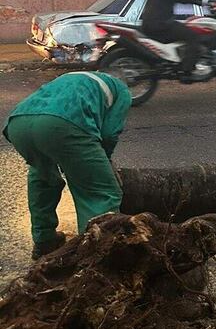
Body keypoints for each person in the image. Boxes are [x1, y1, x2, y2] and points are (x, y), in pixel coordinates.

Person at [4, 72, 132, 259]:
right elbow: (109, 132)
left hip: (18, 123)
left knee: (43, 178)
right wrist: (104, 162)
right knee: (100, 193)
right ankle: (96, 256)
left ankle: (44, 240)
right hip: (60, 124)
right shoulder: (122, 91)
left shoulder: (75, 77)